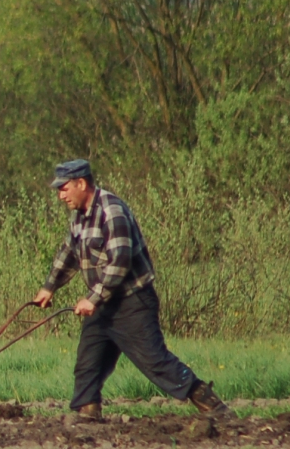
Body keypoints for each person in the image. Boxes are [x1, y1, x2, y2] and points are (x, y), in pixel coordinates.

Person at [32, 160, 229, 420]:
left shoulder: (111, 211)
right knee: (88, 361)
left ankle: (211, 404)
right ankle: (87, 414)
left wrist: (92, 299)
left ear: (81, 183)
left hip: (132, 302)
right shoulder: (78, 215)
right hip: (104, 303)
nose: (61, 195)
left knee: (155, 361)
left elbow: (120, 263)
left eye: (64, 188)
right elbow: (68, 252)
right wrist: (49, 287)